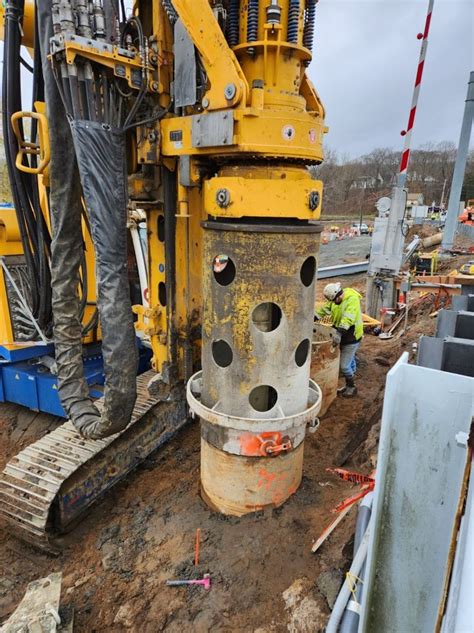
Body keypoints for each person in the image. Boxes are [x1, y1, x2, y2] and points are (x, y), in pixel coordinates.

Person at [314, 282, 363, 397]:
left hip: (352, 336)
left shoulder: (352, 300)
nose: (332, 303)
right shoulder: (335, 300)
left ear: (338, 295)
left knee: (344, 366)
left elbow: (348, 318)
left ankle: (352, 386)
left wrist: (339, 333)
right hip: (342, 334)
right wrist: (313, 317)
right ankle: (351, 376)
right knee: (349, 360)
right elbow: (324, 310)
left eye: (333, 301)